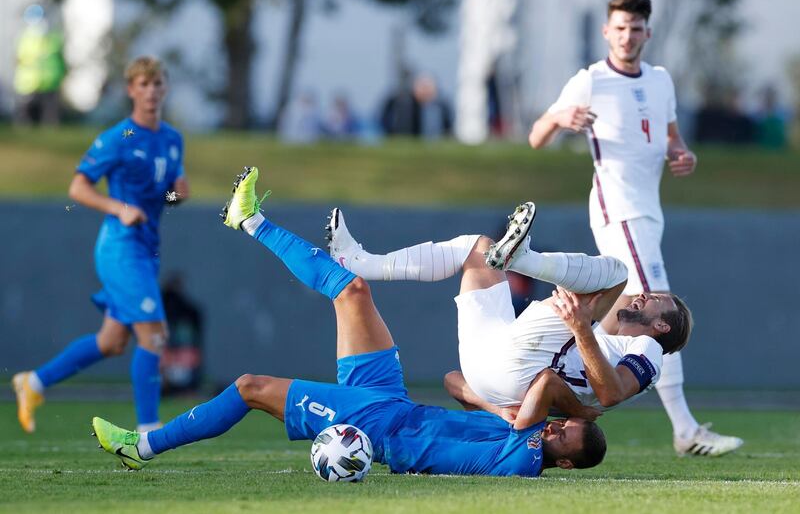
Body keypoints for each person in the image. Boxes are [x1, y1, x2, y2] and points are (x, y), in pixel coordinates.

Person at [90, 167, 606, 476]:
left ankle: (142, 446)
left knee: (249, 386)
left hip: (376, 430)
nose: (557, 427)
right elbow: (454, 382)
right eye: (564, 425)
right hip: (394, 404)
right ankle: (242, 218)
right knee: (353, 291)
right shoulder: (529, 428)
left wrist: (577, 406)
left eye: (563, 436)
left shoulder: (524, 460)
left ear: (561, 461)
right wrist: (490, 401)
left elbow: (541, 382)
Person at [526, 0, 742, 456]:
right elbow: (536, 136)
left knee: (618, 319)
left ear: (647, 31)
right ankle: (684, 428)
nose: (627, 36)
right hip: (616, 208)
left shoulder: (661, 80)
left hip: (649, 212)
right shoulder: (591, 79)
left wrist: (682, 154)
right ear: (608, 31)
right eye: (619, 28)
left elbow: (670, 137)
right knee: (658, 315)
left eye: (636, 28)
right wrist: (561, 118)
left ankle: (549, 386)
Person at [326, 202, 688, 416]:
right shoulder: (605, 340)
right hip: (490, 369)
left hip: (520, 367)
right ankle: (360, 263)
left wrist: (580, 327)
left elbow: (610, 394)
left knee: (617, 274)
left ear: (661, 328)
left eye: (656, 302)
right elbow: (452, 380)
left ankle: (523, 258)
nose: (644, 296)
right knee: (479, 250)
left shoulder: (650, 350)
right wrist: (498, 408)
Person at [12, 56, 189, 433]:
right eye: (143, 84)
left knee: (111, 342)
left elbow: (170, 195)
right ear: (131, 90)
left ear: (165, 88)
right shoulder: (117, 138)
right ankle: (149, 430)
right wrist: (119, 207)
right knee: (155, 335)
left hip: (147, 248)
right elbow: (77, 186)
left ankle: (33, 382)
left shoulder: (173, 139)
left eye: (157, 83)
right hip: (120, 248)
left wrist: (178, 196)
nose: (151, 91)